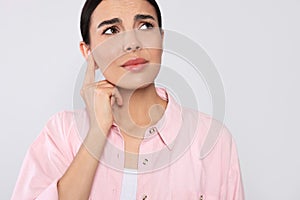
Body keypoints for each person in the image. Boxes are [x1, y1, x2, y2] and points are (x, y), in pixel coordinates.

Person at [11, 0, 245, 199]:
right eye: (112, 31)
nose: (132, 43)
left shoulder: (211, 139)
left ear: (161, 39)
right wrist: (97, 131)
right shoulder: (61, 132)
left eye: (145, 26)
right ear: (87, 51)